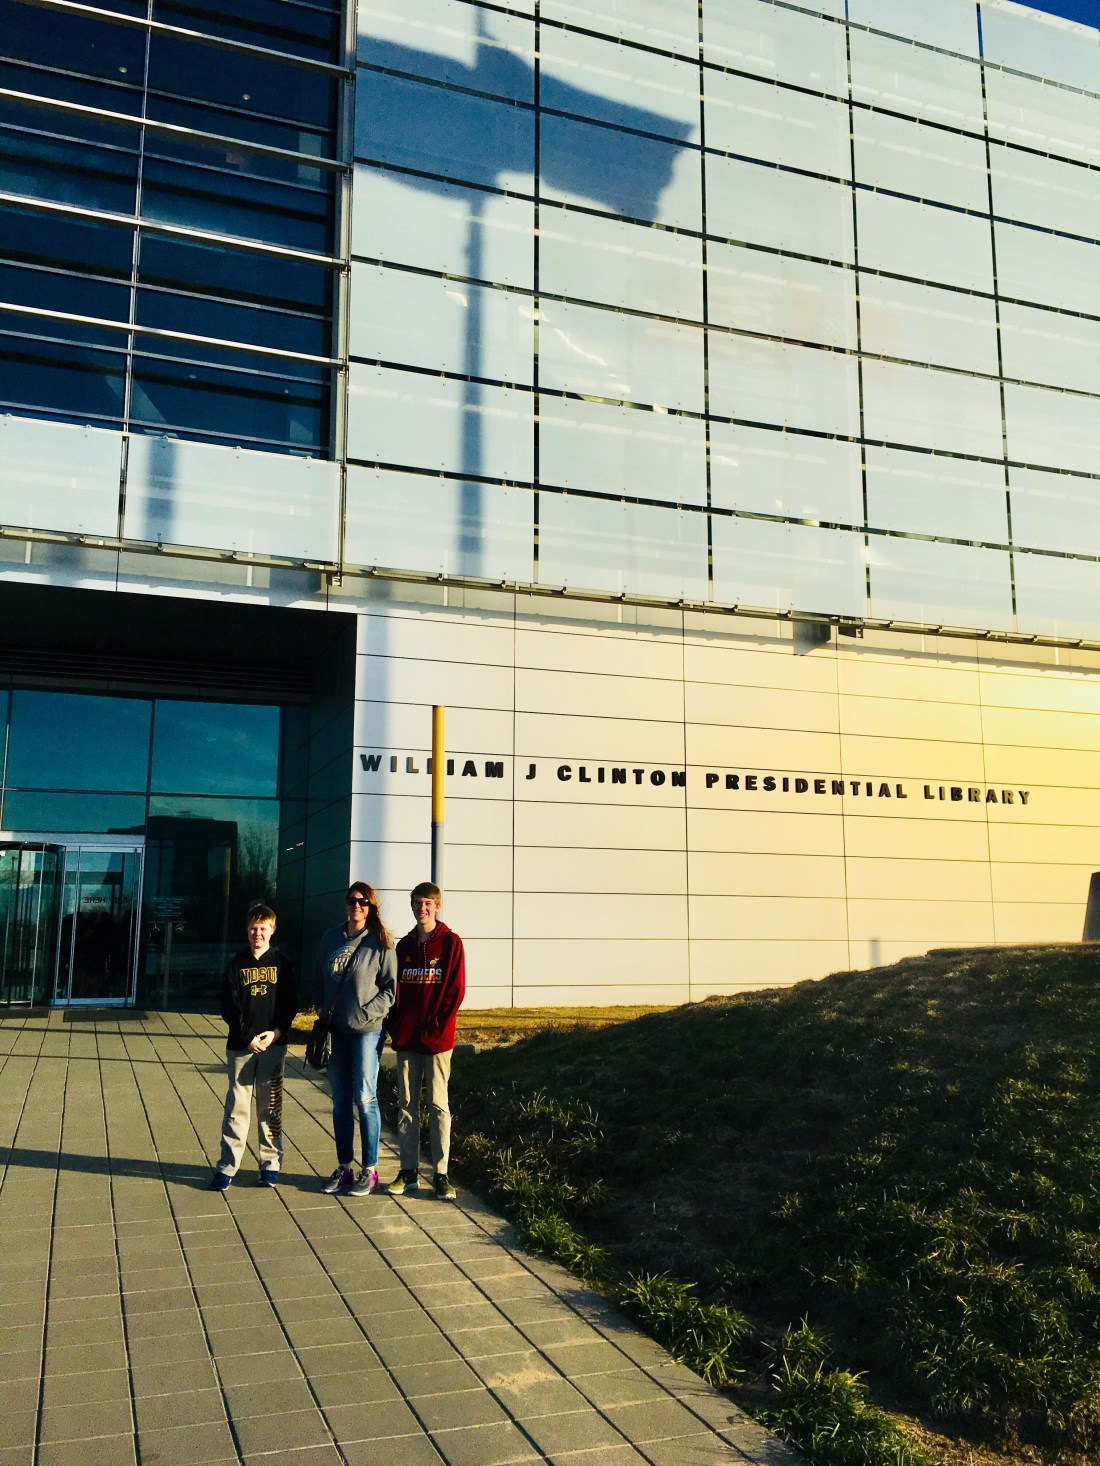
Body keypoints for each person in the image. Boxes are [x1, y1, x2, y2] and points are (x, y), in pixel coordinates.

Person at [314, 881, 396, 1197]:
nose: (356, 906)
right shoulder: (330, 937)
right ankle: (345, 1168)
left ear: (371, 907)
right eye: (352, 900)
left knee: (364, 1097)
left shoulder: (380, 942)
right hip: (336, 1032)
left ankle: (370, 1170)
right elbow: (318, 977)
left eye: (363, 902)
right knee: (340, 1100)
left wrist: (363, 1014)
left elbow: (390, 990)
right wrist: (321, 1008)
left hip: (367, 1031)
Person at [385, 882, 465, 1201]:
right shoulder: (403, 946)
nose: (423, 908)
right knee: (406, 1104)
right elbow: (394, 990)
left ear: (437, 906)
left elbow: (455, 991)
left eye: (428, 903)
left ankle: (441, 1174)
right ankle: (408, 1171)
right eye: (418, 902)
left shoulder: (450, 943)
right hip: (407, 1039)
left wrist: (436, 1026)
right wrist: (396, 1026)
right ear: (412, 906)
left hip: (437, 1041)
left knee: (438, 1104)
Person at [210, 903, 298, 1190]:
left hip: (273, 1046)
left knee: (270, 1107)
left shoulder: (282, 964)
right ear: (247, 930)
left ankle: (270, 1163)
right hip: (241, 1047)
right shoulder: (236, 964)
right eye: (253, 928)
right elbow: (229, 1006)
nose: (257, 933)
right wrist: (247, 1036)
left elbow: (290, 1004)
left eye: (263, 928)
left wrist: (276, 1032)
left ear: (272, 930)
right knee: (236, 1109)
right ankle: (227, 1166)